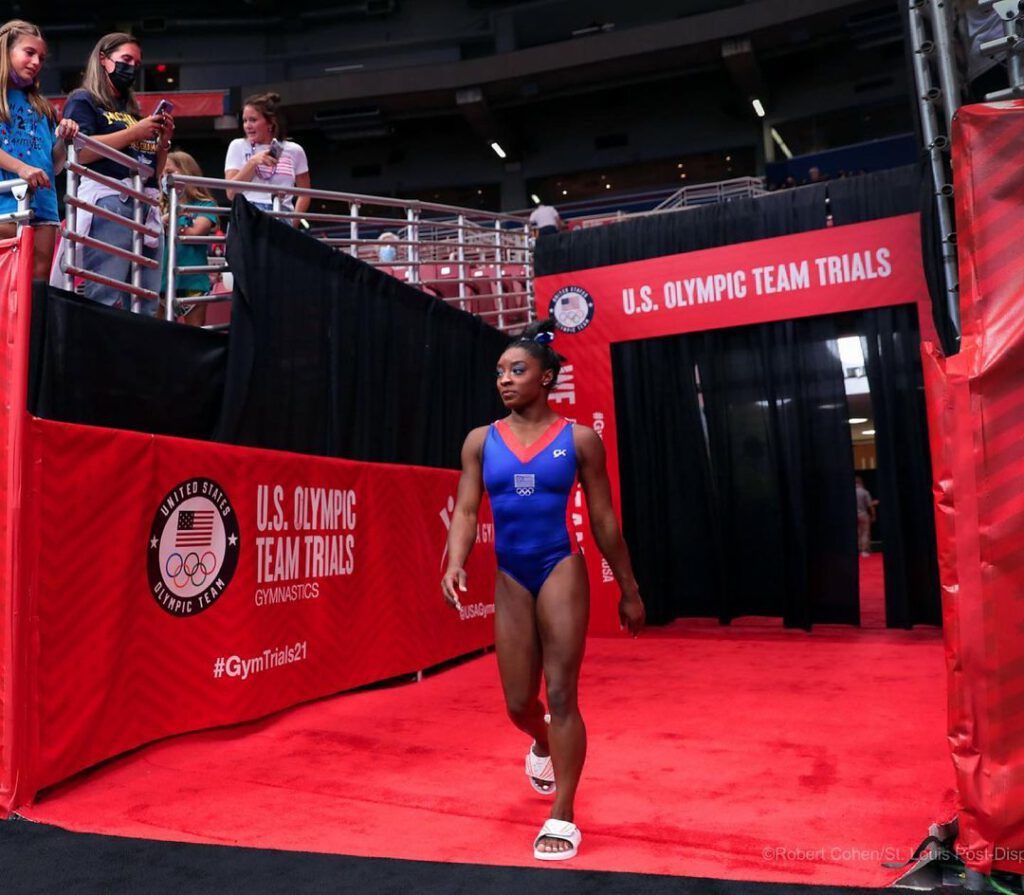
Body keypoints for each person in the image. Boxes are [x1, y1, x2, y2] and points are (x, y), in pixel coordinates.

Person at [441, 318, 645, 862]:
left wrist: (628, 588)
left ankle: (565, 813)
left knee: (561, 694)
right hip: (510, 575)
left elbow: (603, 519)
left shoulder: (579, 439)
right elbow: (465, 510)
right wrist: (454, 561)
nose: (504, 380)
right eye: (500, 372)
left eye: (517, 370)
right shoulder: (480, 441)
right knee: (517, 704)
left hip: (561, 567)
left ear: (547, 377)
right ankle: (542, 744)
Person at [62, 32, 172, 314]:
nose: (132, 67)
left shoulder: (133, 112)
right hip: (109, 202)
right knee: (105, 296)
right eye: (126, 59)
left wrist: (162, 144)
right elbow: (80, 152)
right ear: (104, 60)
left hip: (144, 206)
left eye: (137, 62)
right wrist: (134, 132)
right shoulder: (83, 100)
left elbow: (153, 173)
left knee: (147, 302)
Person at [0, 20, 79, 280]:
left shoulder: (42, 107)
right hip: (5, 203)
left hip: (43, 207)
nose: (36, 62)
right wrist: (22, 169)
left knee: (37, 287)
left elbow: (53, 165)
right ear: (5, 51)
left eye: (41, 58)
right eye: (29, 53)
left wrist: (65, 140)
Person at [224, 92, 310, 221]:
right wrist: (253, 163)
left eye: (253, 120)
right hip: (248, 213)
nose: (247, 126)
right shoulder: (237, 145)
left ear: (270, 123)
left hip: (282, 214)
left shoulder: (294, 150)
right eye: (245, 120)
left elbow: (305, 193)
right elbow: (231, 193)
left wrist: (293, 222)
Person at [161, 150, 218, 327]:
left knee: (195, 338)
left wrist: (171, 219)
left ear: (187, 173)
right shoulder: (157, 205)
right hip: (161, 281)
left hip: (193, 282)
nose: (165, 178)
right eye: (162, 174)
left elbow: (194, 233)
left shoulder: (206, 205)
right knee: (157, 337)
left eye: (169, 173)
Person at [855, 475, 876, 558]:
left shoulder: (850, 492)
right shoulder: (865, 492)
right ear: (861, 482)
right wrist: (874, 515)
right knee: (865, 533)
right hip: (863, 514)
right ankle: (864, 551)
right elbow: (870, 505)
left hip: (853, 515)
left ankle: (858, 549)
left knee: (857, 533)